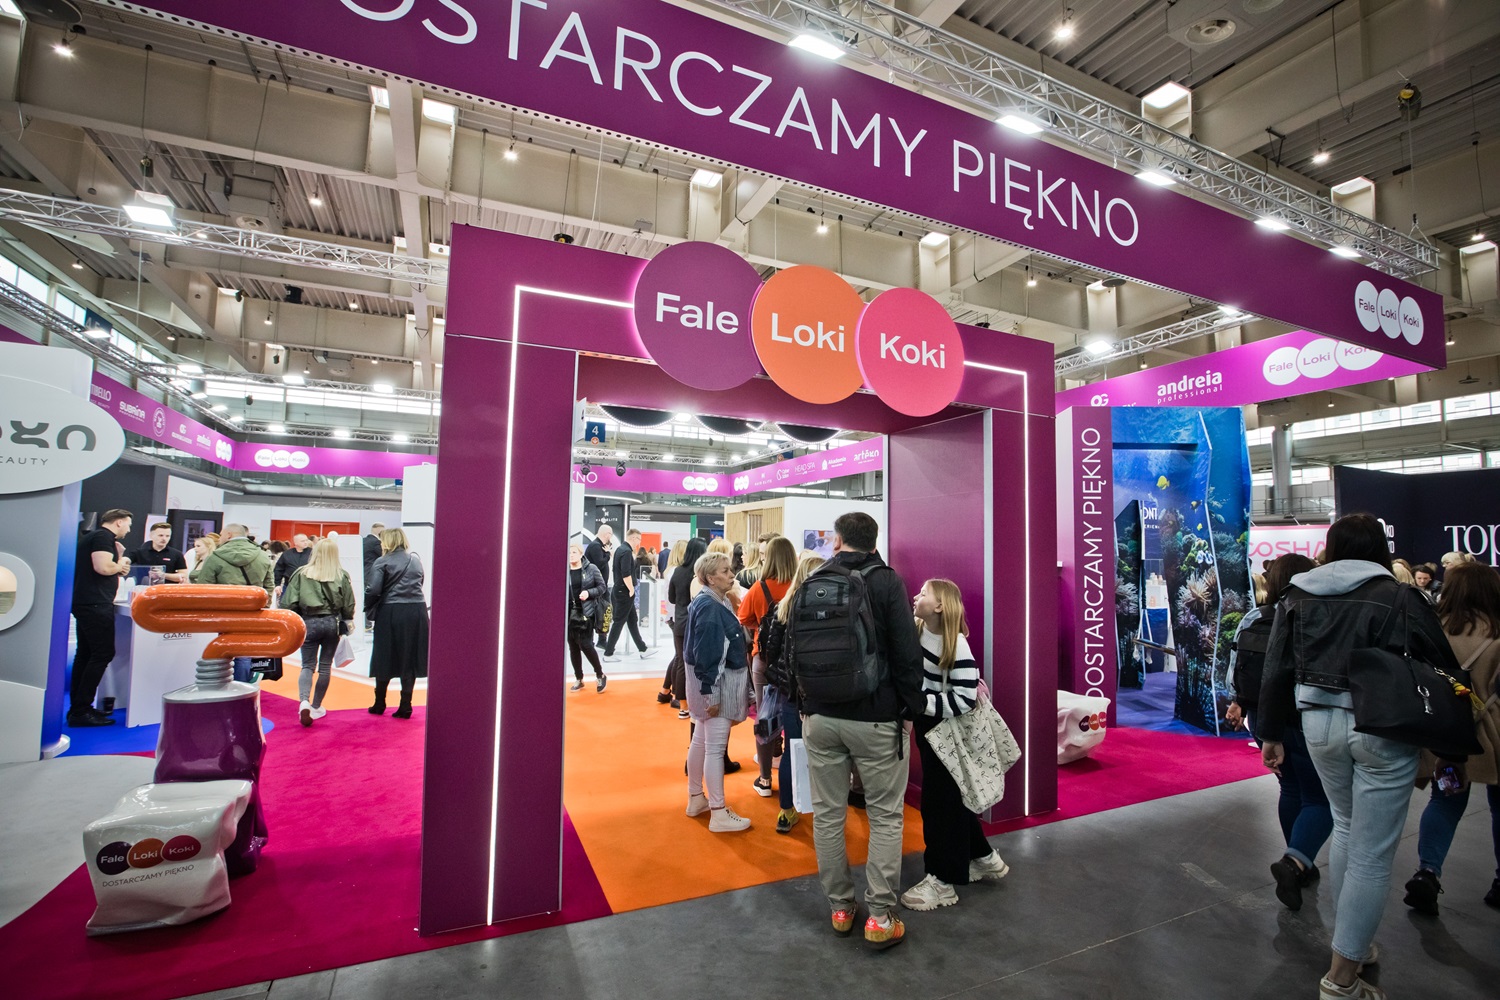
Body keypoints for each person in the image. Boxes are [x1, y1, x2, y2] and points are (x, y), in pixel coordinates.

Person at [1258, 513, 1460, 1000]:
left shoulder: (1296, 595)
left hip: (1315, 724)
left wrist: (1270, 733)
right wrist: (1451, 744)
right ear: (1379, 549)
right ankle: (1342, 977)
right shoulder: (1400, 595)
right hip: (1383, 726)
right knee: (1372, 852)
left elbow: (1276, 666)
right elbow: (1443, 666)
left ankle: (1354, 944)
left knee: (1347, 828)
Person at [800, 512, 924, 951]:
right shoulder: (887, 581)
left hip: (820, 716)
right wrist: (910, 710)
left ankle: (840, 908)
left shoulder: (814, 579)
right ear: (874, 542)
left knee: (828, 814)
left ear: (837, 541)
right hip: (876, 716)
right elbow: (907, 652)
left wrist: (805, 705)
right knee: (885, 815)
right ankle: (880, 917)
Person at [898, 579, 1011, 910]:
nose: (916, 596)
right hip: (931, 729)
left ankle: (942, 880)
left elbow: (964, 699)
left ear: (939, 606)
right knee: (950, 799)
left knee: (940, 804)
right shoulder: (919, 630)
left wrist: (921, 704)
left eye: (924, 593)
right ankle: (983, 856)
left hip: (945, 731)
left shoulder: (957, 647)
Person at [1228, 553, 1329, 912]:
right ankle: (1296, 860)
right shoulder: (1317, 615)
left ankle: (1299, 861)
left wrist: (1238, 702)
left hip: (1263, 717)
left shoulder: (1254, 616)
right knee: (1321, 798)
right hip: (1304, 717)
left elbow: (1234, 667)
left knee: (1290, 788)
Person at [1402, 561, 1500, 914]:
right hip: (1493, 731)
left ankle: (1427, 872)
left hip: (1444, 730)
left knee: (1444, 800)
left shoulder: (1434, 629)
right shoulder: (1497, 630)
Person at [684, 550, 753, 833]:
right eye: (725, 571)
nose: (731, 574)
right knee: (714, 748)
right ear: (711, 578)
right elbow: (708, 655)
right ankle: (718, 812)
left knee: (701, 741)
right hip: (717, 688)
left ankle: (696, 799)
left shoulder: (711, 600)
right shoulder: (711, 607)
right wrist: (710, 695)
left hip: (710, 686)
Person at [767, 551, 825, 833]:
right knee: (824, 753)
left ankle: (786, 810)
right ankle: (823, 809)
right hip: (819, 693)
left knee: (792, 749)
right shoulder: (825, 612)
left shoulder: (783, 607)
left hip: (790, 692)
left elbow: (770, 651)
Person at [737, 535, 797, 797]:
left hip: (764, 658)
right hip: (794, 661)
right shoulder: (800, 586)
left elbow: (743, 617)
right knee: (795, 716)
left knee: (765, 717)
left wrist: (762, 627)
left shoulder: (759, 588)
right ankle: (795, 776)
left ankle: (764, 779)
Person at [280, 538, 355, 727]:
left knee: (307, 665)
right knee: (325, 666)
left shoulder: (301, 573)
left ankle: (304, 701)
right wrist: (347, 619)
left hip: (308, 622)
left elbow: (287, 603)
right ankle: (316, 706)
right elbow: (348, 604)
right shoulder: (341, 575)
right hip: (332, 623)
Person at [69, 509, 133, 727]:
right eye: (128, 524)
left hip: (87, 601)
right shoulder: (103, 537)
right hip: (95, 603)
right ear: (119, 522)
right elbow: (103, 567)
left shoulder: (96, 538)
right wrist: (120, 563)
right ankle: (81, 710)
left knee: (86, 654)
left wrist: (118, 559)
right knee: (102, 653)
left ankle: (79, 708)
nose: (129, 530)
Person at [366, 528, 429, 718]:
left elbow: (373, 589)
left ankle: (379, 703)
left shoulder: (382, 561)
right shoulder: (415, 560)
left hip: (391, 611)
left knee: (384, 655)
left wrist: (369, 607)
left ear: (387, 542)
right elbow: (420, 582)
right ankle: (405, 705)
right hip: (417, 611)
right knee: (409, 656)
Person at [660, 537, 706, 716]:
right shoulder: (699, 575)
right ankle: (698, 703)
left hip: (679, 623)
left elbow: (671, 598)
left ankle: (683, 706)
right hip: (696, 624)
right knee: (697, 663)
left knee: (681, 662)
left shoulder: (677, 571)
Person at [566, 541, 607, 693]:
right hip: (569, 615)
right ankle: (579, 678)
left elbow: (602, 587)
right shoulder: (564, 570)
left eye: (574, 552)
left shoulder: (591, 568)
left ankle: (600, 674)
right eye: (569, 553)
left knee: (586, 645)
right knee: (573, 647)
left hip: (586, 613)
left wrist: (589, 593)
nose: (571, 555)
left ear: (581, 554)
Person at [603, 528, 649, 661]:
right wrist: (631, 589)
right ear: (633, 538)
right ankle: (608, 653)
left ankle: (643, 649)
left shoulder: (620, 549)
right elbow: (626, 573)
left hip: (620, 590)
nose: (639, 542)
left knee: (632, 620)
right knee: (619, 622)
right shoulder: (627, 552)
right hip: (624, 591)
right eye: (639, 539)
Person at [190, 523, 273, 596]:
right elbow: (269, 585)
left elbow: (204, 587)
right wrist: (265, 605)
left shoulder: (214, 557)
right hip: (254, 604)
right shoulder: (263, 556)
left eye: (221, 535)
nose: (219, 539)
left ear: (229, 535)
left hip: (223, 605)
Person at [584, 525, 613, 647]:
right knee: (596, 613)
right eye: (610, 534)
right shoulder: (595, 546)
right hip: (596, 588)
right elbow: (599, 564)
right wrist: (608, 555)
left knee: (603, 612)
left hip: (599, 587)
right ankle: (594, 640)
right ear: (607, 534)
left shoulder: (597, 546)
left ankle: (601, 639)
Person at [274, 533, 312, 600]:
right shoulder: (287, 554)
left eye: (306, 540)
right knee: (285, 604)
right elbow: (278, 569)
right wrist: (277, 584)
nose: (305, 542)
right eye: (303, 541)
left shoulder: (313, 553)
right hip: (289, 586)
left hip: (308, 586)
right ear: (296, 543)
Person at [363, 523, 385, 630]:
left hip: (364, 572)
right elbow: (384, 555)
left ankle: (366, 624)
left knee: (366, 598)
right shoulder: (376, 542)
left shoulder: (364, 541)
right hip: (373, 574)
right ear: (378, 530)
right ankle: (370, 622)